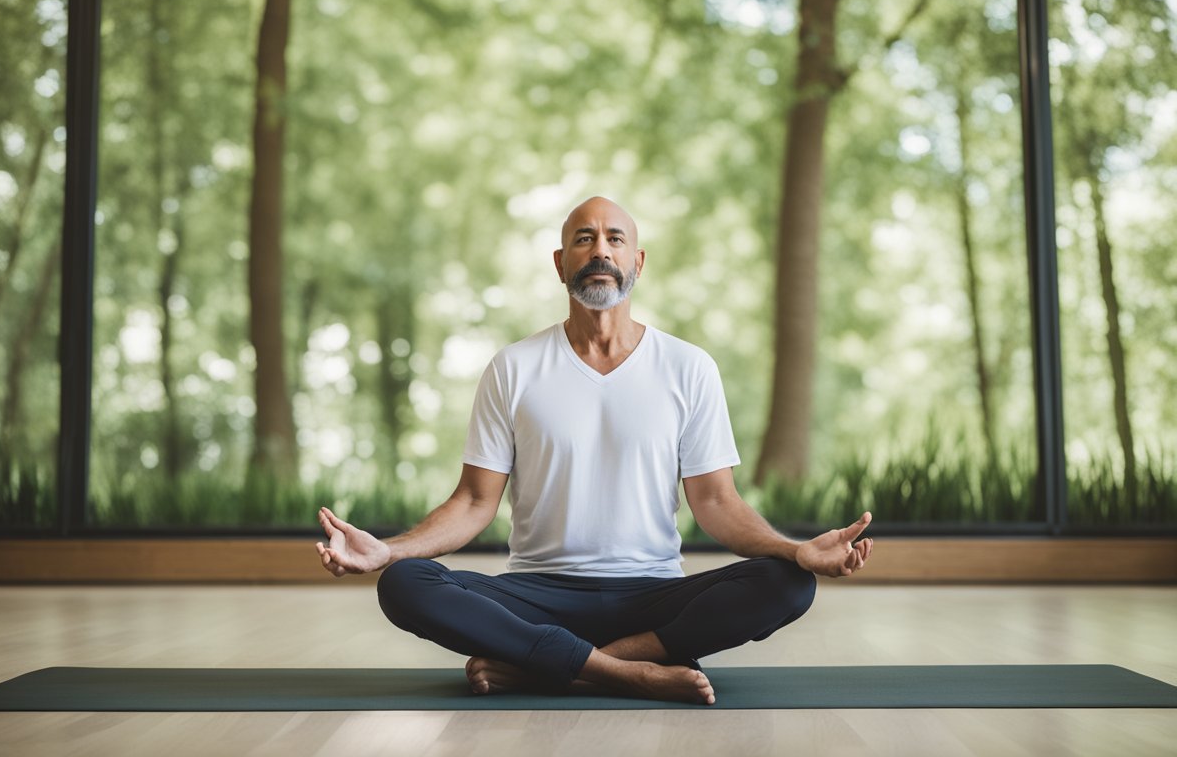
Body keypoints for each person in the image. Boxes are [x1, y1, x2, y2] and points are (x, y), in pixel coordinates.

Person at [316, 196, 873, 705]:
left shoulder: (689, 367)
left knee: (788, 582)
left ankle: (552, 666)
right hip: (535, 595)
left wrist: (796, 551)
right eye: (584, 239)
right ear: (561, 264)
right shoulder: (513, 368)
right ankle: (634, 673)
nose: (600, 250)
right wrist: (388, 551)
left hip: (652, 596)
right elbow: (473, 502)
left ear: (638, 262)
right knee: (405, 583)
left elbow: (717, 504)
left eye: (615, 239)